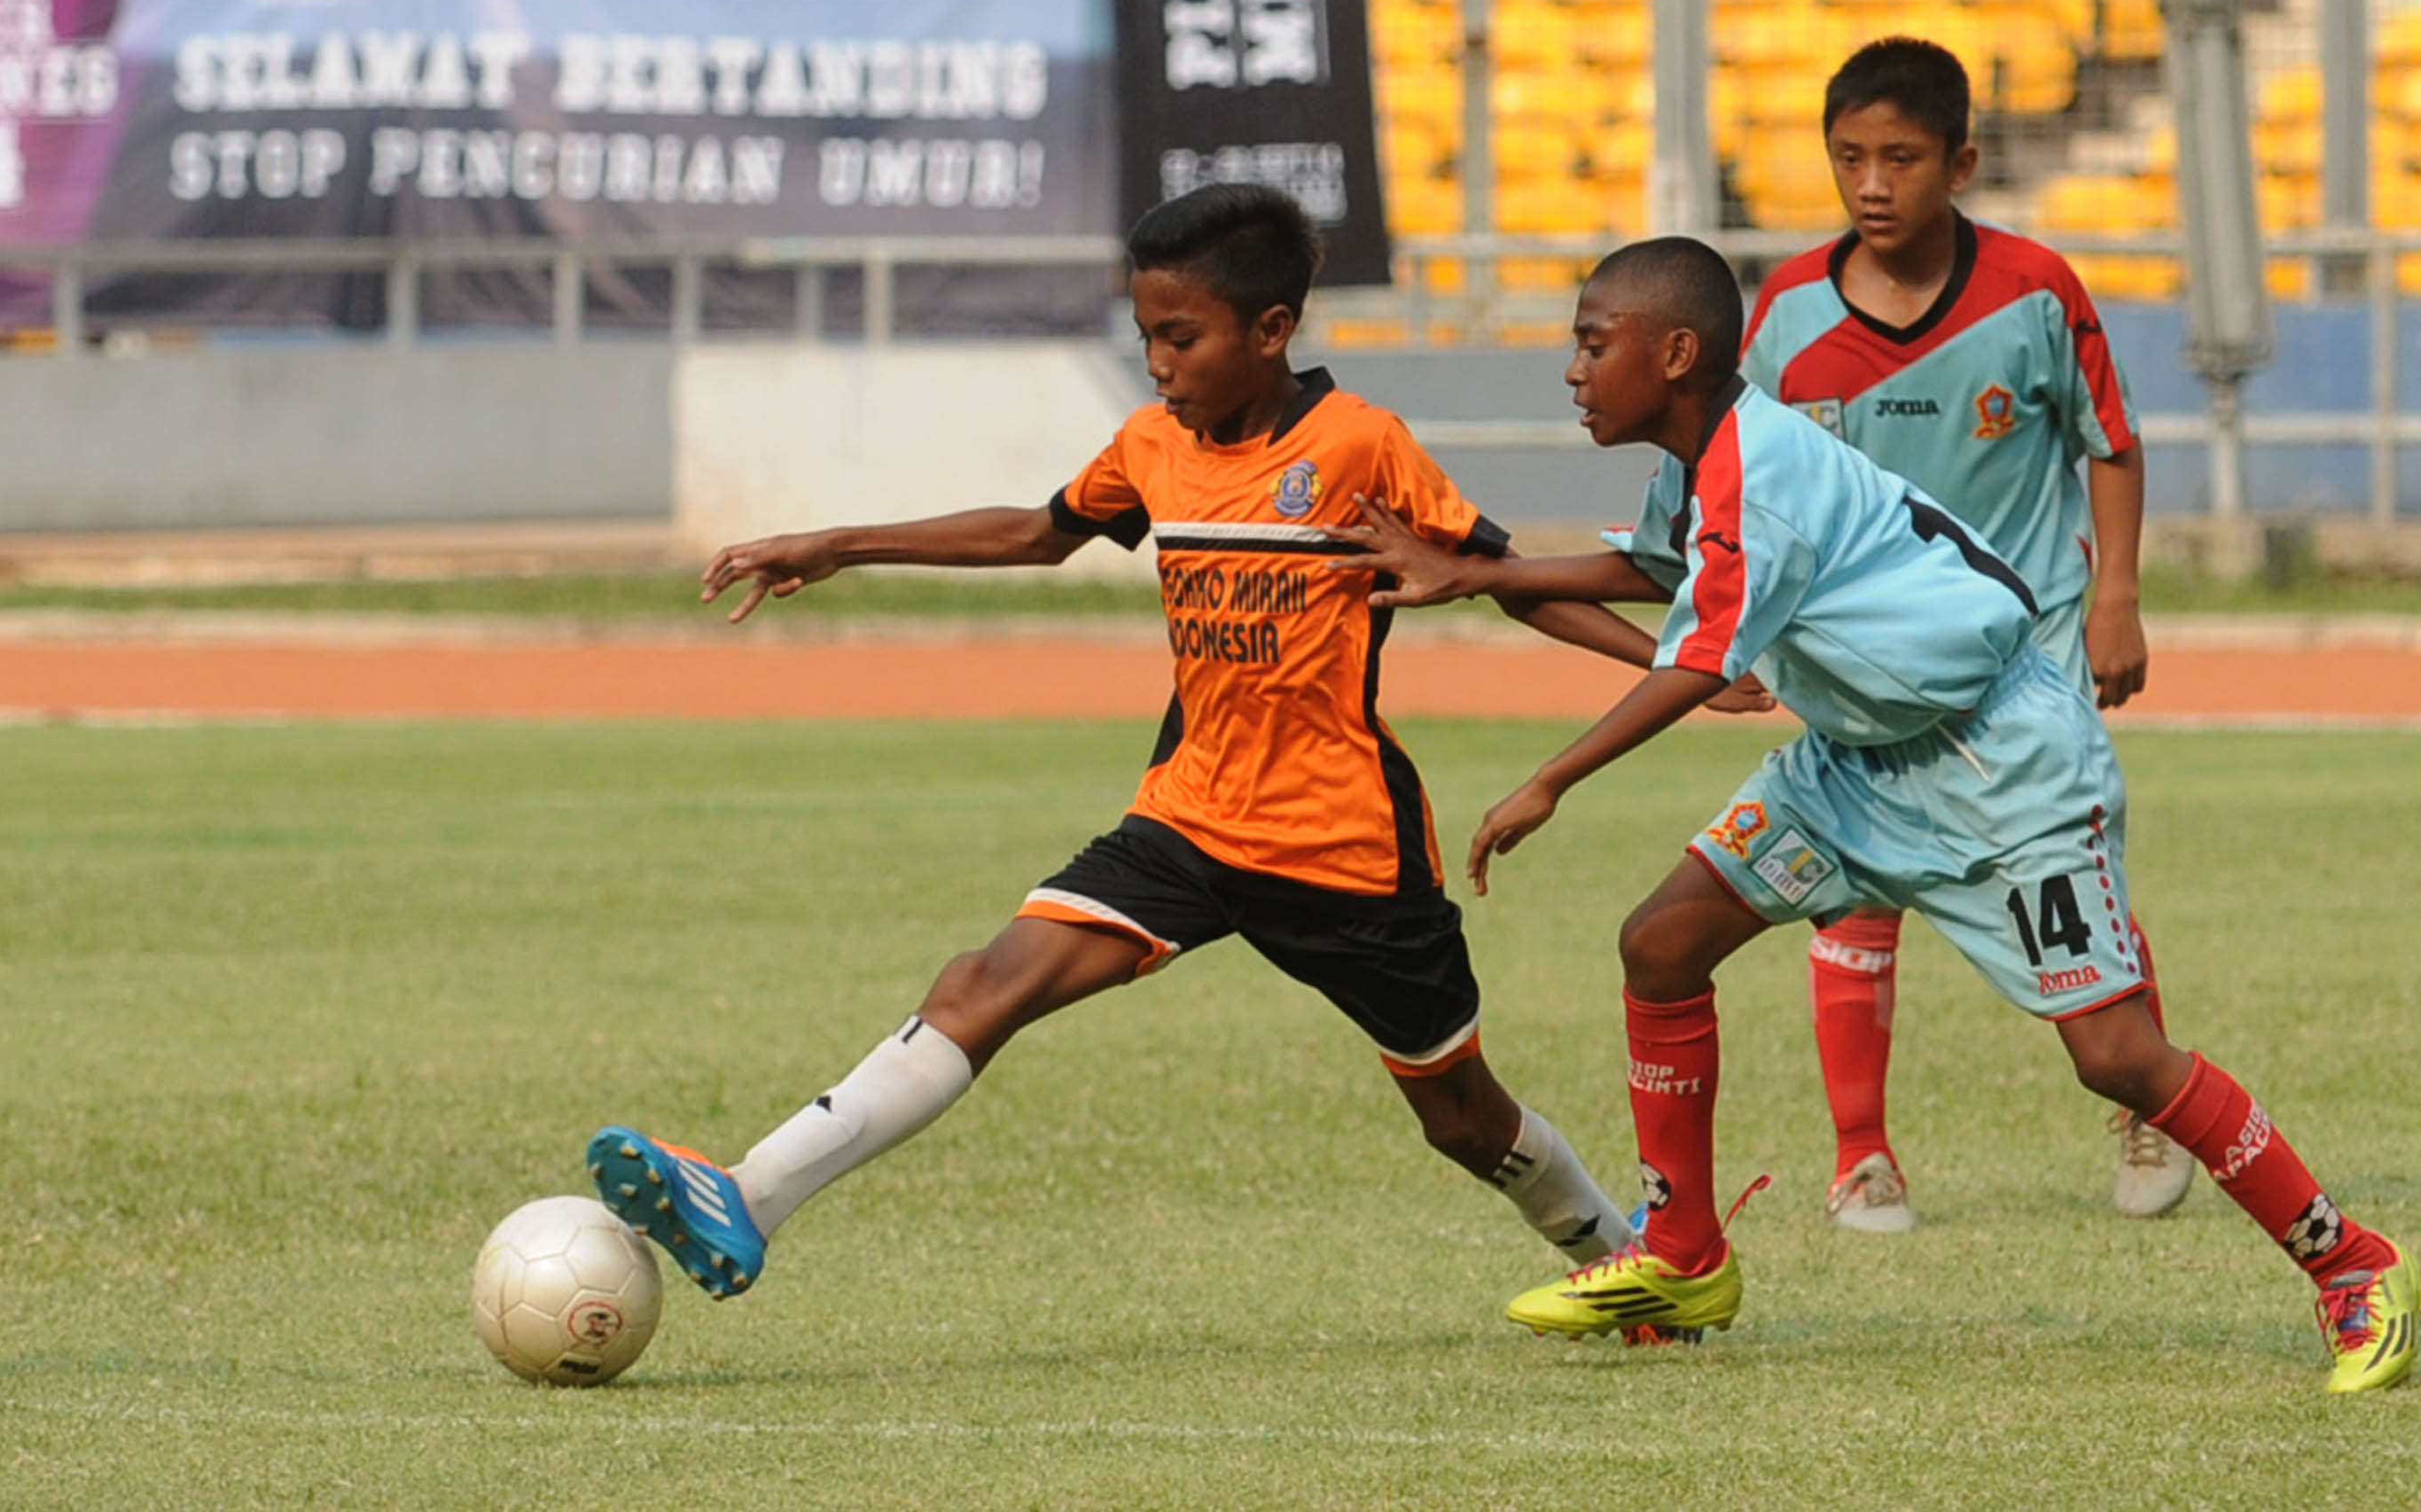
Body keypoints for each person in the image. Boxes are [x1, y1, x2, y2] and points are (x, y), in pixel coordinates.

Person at [587, 182, 1718, 1306]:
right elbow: (1039, 533)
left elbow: (1503, 579)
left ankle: (1617, 1253)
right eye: (1145, 338)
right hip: (1188, 818)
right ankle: (749, 1195)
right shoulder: (1152, 446)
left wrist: (1672, 658)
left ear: (1271, 331)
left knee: (1462, 1119)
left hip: (1344, 851)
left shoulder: (1360, 445)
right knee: (985, 982)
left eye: (1181, 337)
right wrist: (841, 544)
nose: (1159, 365)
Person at [1325, 236, 2421, 1394]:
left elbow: (1700, 658)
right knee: (1662, 943)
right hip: (1857, 762)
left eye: (1594, 346)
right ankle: (1685, 1256)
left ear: (1677, 353)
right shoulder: (1708, 457)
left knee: (2116, 1056)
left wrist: (1551, 776)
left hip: (2002, 766)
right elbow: (1663, 566)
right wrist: (1483, 575)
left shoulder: (1756, 470)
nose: (1574, 370)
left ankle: (2355, 1264)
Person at [1741, 35, 2186, 1233]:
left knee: (2073, 880)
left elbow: (2110, 443)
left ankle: (2148, 1108)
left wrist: (2117, 595)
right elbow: (1746, 486)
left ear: (1962, 163)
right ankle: (1862, 1157)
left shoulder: (2037, 291)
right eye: (1849, 157)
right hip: (1865, 662)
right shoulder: (1788, 315)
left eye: (1901, 158)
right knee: (1856, 888)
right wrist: (1743, 631)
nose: (1872, 184)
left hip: (2025, 657)